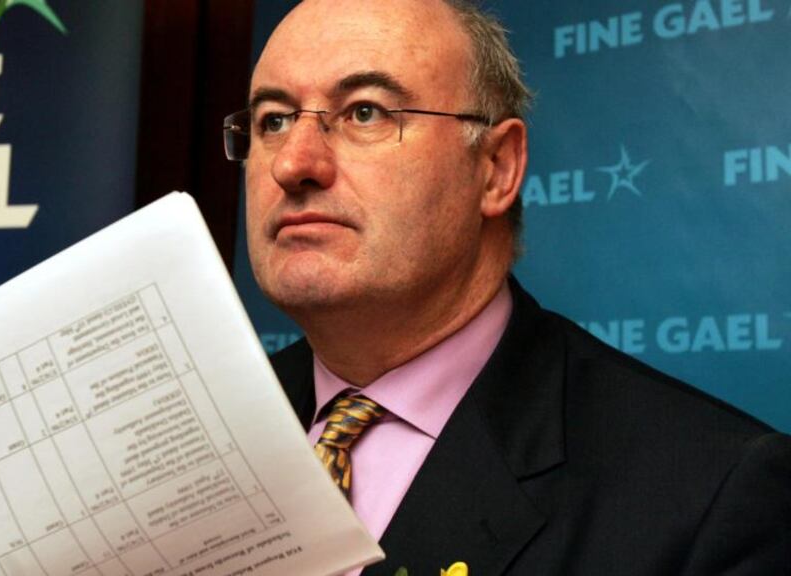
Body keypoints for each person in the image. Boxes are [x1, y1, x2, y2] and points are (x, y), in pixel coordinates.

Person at [222, 0, 791, 574]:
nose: (292, 164)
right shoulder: (207, 425)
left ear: (496, 167)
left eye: (364, 113)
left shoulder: (713, 498)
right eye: (273, 120)